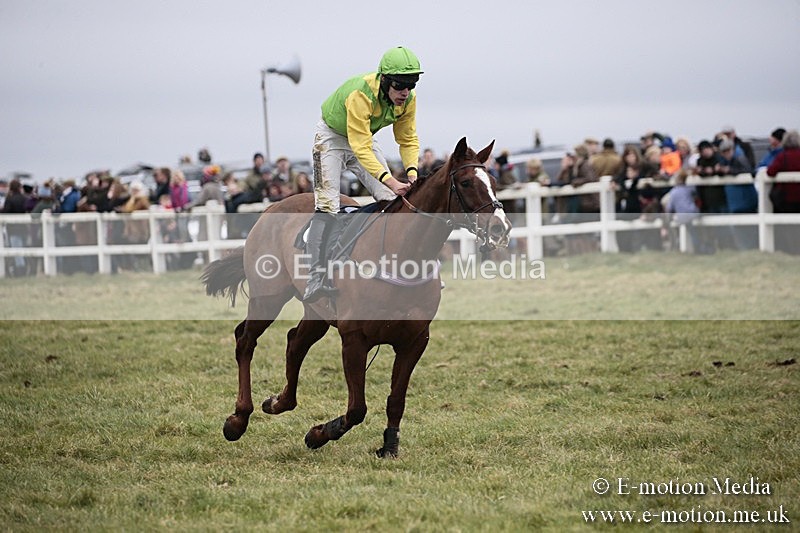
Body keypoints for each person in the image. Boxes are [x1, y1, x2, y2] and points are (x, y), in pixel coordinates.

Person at [303, 46, 423, 302]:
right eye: (401, 85)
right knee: (327, 206)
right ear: (387, 80)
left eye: (412, 84)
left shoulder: (408, 100)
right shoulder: (361, 94)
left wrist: (412, 174)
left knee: (392, 199)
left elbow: (408, 139)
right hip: (332, 137)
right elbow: (359, 146)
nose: (406, 92)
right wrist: (391, 180)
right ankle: (315, 277)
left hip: (362, 137)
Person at [766, 129, 800, 254]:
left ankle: (792, 251)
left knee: (789, 228)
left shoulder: (783, 156)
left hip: (787, 200)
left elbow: (770, 172)